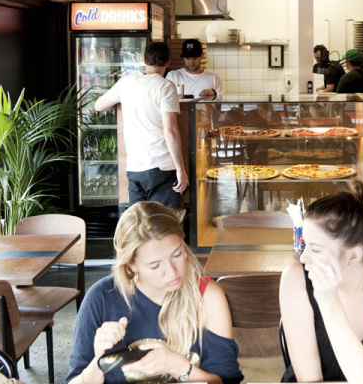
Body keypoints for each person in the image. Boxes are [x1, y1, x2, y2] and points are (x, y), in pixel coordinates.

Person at [66, 202, 243, 384]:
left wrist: (178, 367)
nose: (172, 272)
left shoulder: (207, 296)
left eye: (177, 254)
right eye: (155, 265)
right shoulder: (101, 298)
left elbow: (226, 381)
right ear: (132, 265)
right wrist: (98, 364)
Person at [279, 183, 363, 384]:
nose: (303, 258)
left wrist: (328, 302)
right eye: (305, 245)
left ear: (353, 256)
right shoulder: (296, 277)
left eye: (315, 249)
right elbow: (309, 379)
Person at [95, 42, 188, 210]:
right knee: (164, 222)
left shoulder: (126, 82)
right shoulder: (165, 86)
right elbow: (170, 131)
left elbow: (99, 105)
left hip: (135, 168)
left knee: (139, 221)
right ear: (168, 62)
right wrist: (181, 169)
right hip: (161, 166)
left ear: (144, 59)